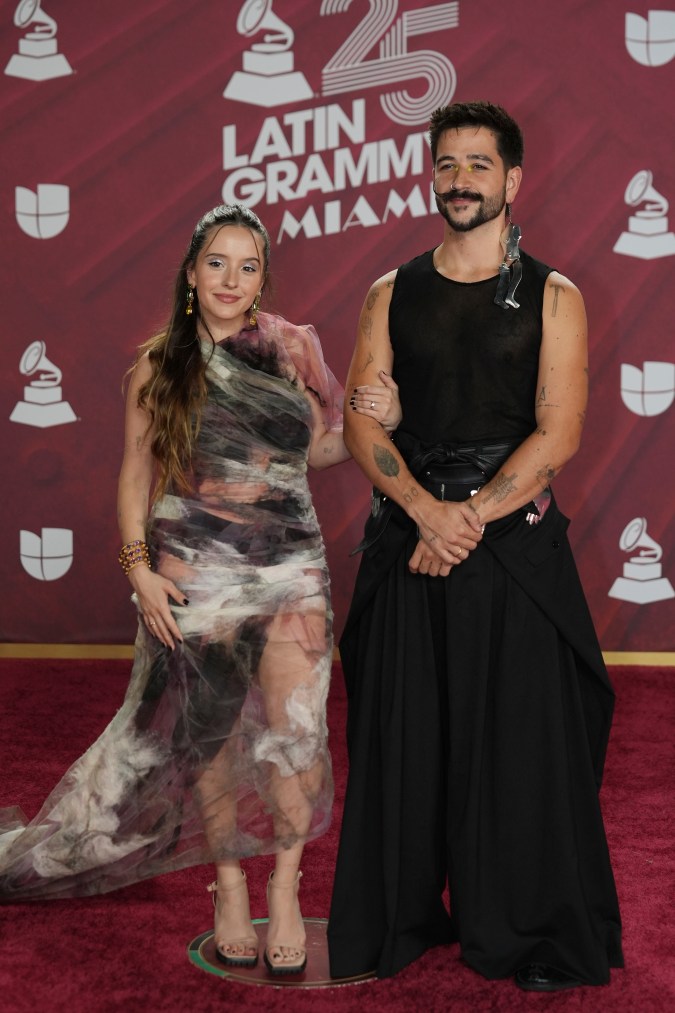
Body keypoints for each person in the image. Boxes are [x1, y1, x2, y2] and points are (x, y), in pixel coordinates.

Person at [0, 203, 399, 976]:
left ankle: (284, 889)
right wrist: (139, 571)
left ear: (262, 278)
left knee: (296, 733)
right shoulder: (157, 366)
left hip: (290, 568)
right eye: (217, 262)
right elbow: (135, 473)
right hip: (195, 572)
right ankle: (227, 888)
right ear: (191, 272)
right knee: (210, 739)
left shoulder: (292, 349)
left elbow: (316, 449)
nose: (232, 279)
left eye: (248, 266)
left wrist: (379, 416)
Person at [327, 102, 623, 991]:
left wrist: (464, 520)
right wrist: (424, 510)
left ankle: (525, 927)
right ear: (431, 173)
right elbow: (358, 419)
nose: (458, 180)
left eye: (477, 166)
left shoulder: (554, 294)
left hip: (509, 550)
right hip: (411, 541)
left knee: (521, 748)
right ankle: (402, 918)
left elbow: (557, 433)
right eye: (445, 163)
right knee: (403, 743)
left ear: (511, 181)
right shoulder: (389, 291)